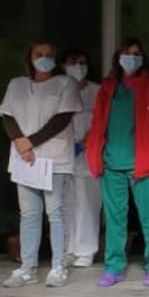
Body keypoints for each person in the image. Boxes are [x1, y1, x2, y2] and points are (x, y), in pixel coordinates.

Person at [87, 39, 149, 287]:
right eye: (127, 53)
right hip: (111, 162)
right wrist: (96, 152)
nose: (131, 58)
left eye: (137, 54)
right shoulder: (108, 88)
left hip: (144, 163)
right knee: (114, 219)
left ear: (144, 58)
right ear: (118, 57)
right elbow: (98, 122)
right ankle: (114, 267)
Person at [0, 41, 83, 288]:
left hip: (54, 158)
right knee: (29, 215)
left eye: (49, 55)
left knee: (55, 213)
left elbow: (62, 118)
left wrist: (30, 142)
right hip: (24, 159)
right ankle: (27, 268)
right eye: (39, 54)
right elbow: (8, 116)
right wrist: (20, 142)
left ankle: (58, 267)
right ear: (30, 57)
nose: (44, 58)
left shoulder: (65, 83)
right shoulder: (17, 84)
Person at [61, 48, 102, 268]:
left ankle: (86, 250)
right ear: (63, 66)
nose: (78, 66)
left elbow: (103, 120)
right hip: (63, 153)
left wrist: (86, 140)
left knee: (88, 202)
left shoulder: (97, 91)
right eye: (73, 61)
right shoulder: (59, 89)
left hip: (88, 154)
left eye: (82, 61)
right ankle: (68, 249)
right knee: (66, 203)